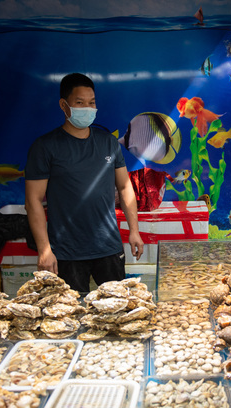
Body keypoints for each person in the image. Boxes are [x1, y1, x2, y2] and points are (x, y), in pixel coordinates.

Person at [25, 73, 144, 293]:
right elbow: (33, 200)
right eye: (79, 103)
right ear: (64, 105)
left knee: (116, 313)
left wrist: (134, 230)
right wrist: (44, 249)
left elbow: (125, 187)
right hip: (66, 253)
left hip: (108, 248)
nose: (87, 108)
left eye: (92, 103)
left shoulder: (108, 142)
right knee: (70, 318)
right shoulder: (45, 146)